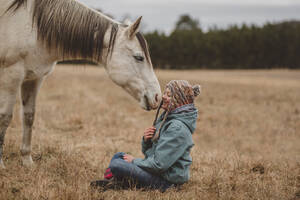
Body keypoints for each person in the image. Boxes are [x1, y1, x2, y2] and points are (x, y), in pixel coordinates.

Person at [91, 80, 201, 192]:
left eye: (169, 95)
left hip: (167, 182)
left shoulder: (177, 128)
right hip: (158, 173)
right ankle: (117, 182)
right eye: (165, 93)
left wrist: (134, 161)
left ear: (179, 100)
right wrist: (146, 140)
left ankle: (117, 182)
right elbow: (149, 154)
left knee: (117, 164)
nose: (163, 97)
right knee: (118, 156)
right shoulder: (167, 118)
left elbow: (159, 165)